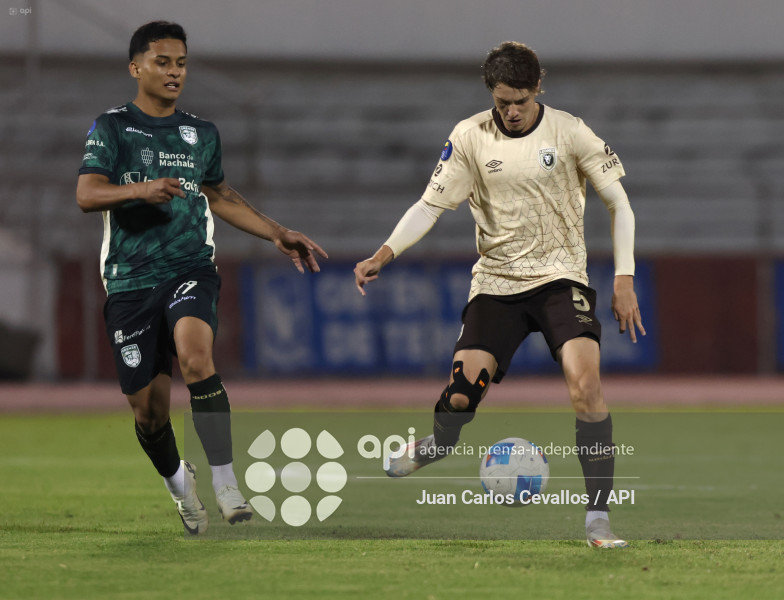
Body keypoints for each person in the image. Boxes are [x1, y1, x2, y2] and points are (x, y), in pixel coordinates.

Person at [354, 42, 644, 549]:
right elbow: (429, 205)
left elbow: (619, 202)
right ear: (492, 93)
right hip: (496, 283)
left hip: (561, 279)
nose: (511, 111)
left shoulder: (570, 131)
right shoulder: (470, 137)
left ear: (539, 89)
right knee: (462, 396)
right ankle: (438, 444)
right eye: (502, 101)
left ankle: (598, 520)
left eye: (521, 100)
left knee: (586, 387)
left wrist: (624, 277)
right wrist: (385, 252)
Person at [76, 21, 327, 535]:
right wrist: (140, 190)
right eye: (163, 62)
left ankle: (226, 480)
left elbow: (219, 195)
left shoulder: (201, 133)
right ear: (136, 67)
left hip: (190, 267)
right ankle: (180, 486)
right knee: (148, 413)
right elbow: (86, 194)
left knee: (196, 356)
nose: (174, 72)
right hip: (129, 281)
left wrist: (276, 232)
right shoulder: (112, 128)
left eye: (181, 63)